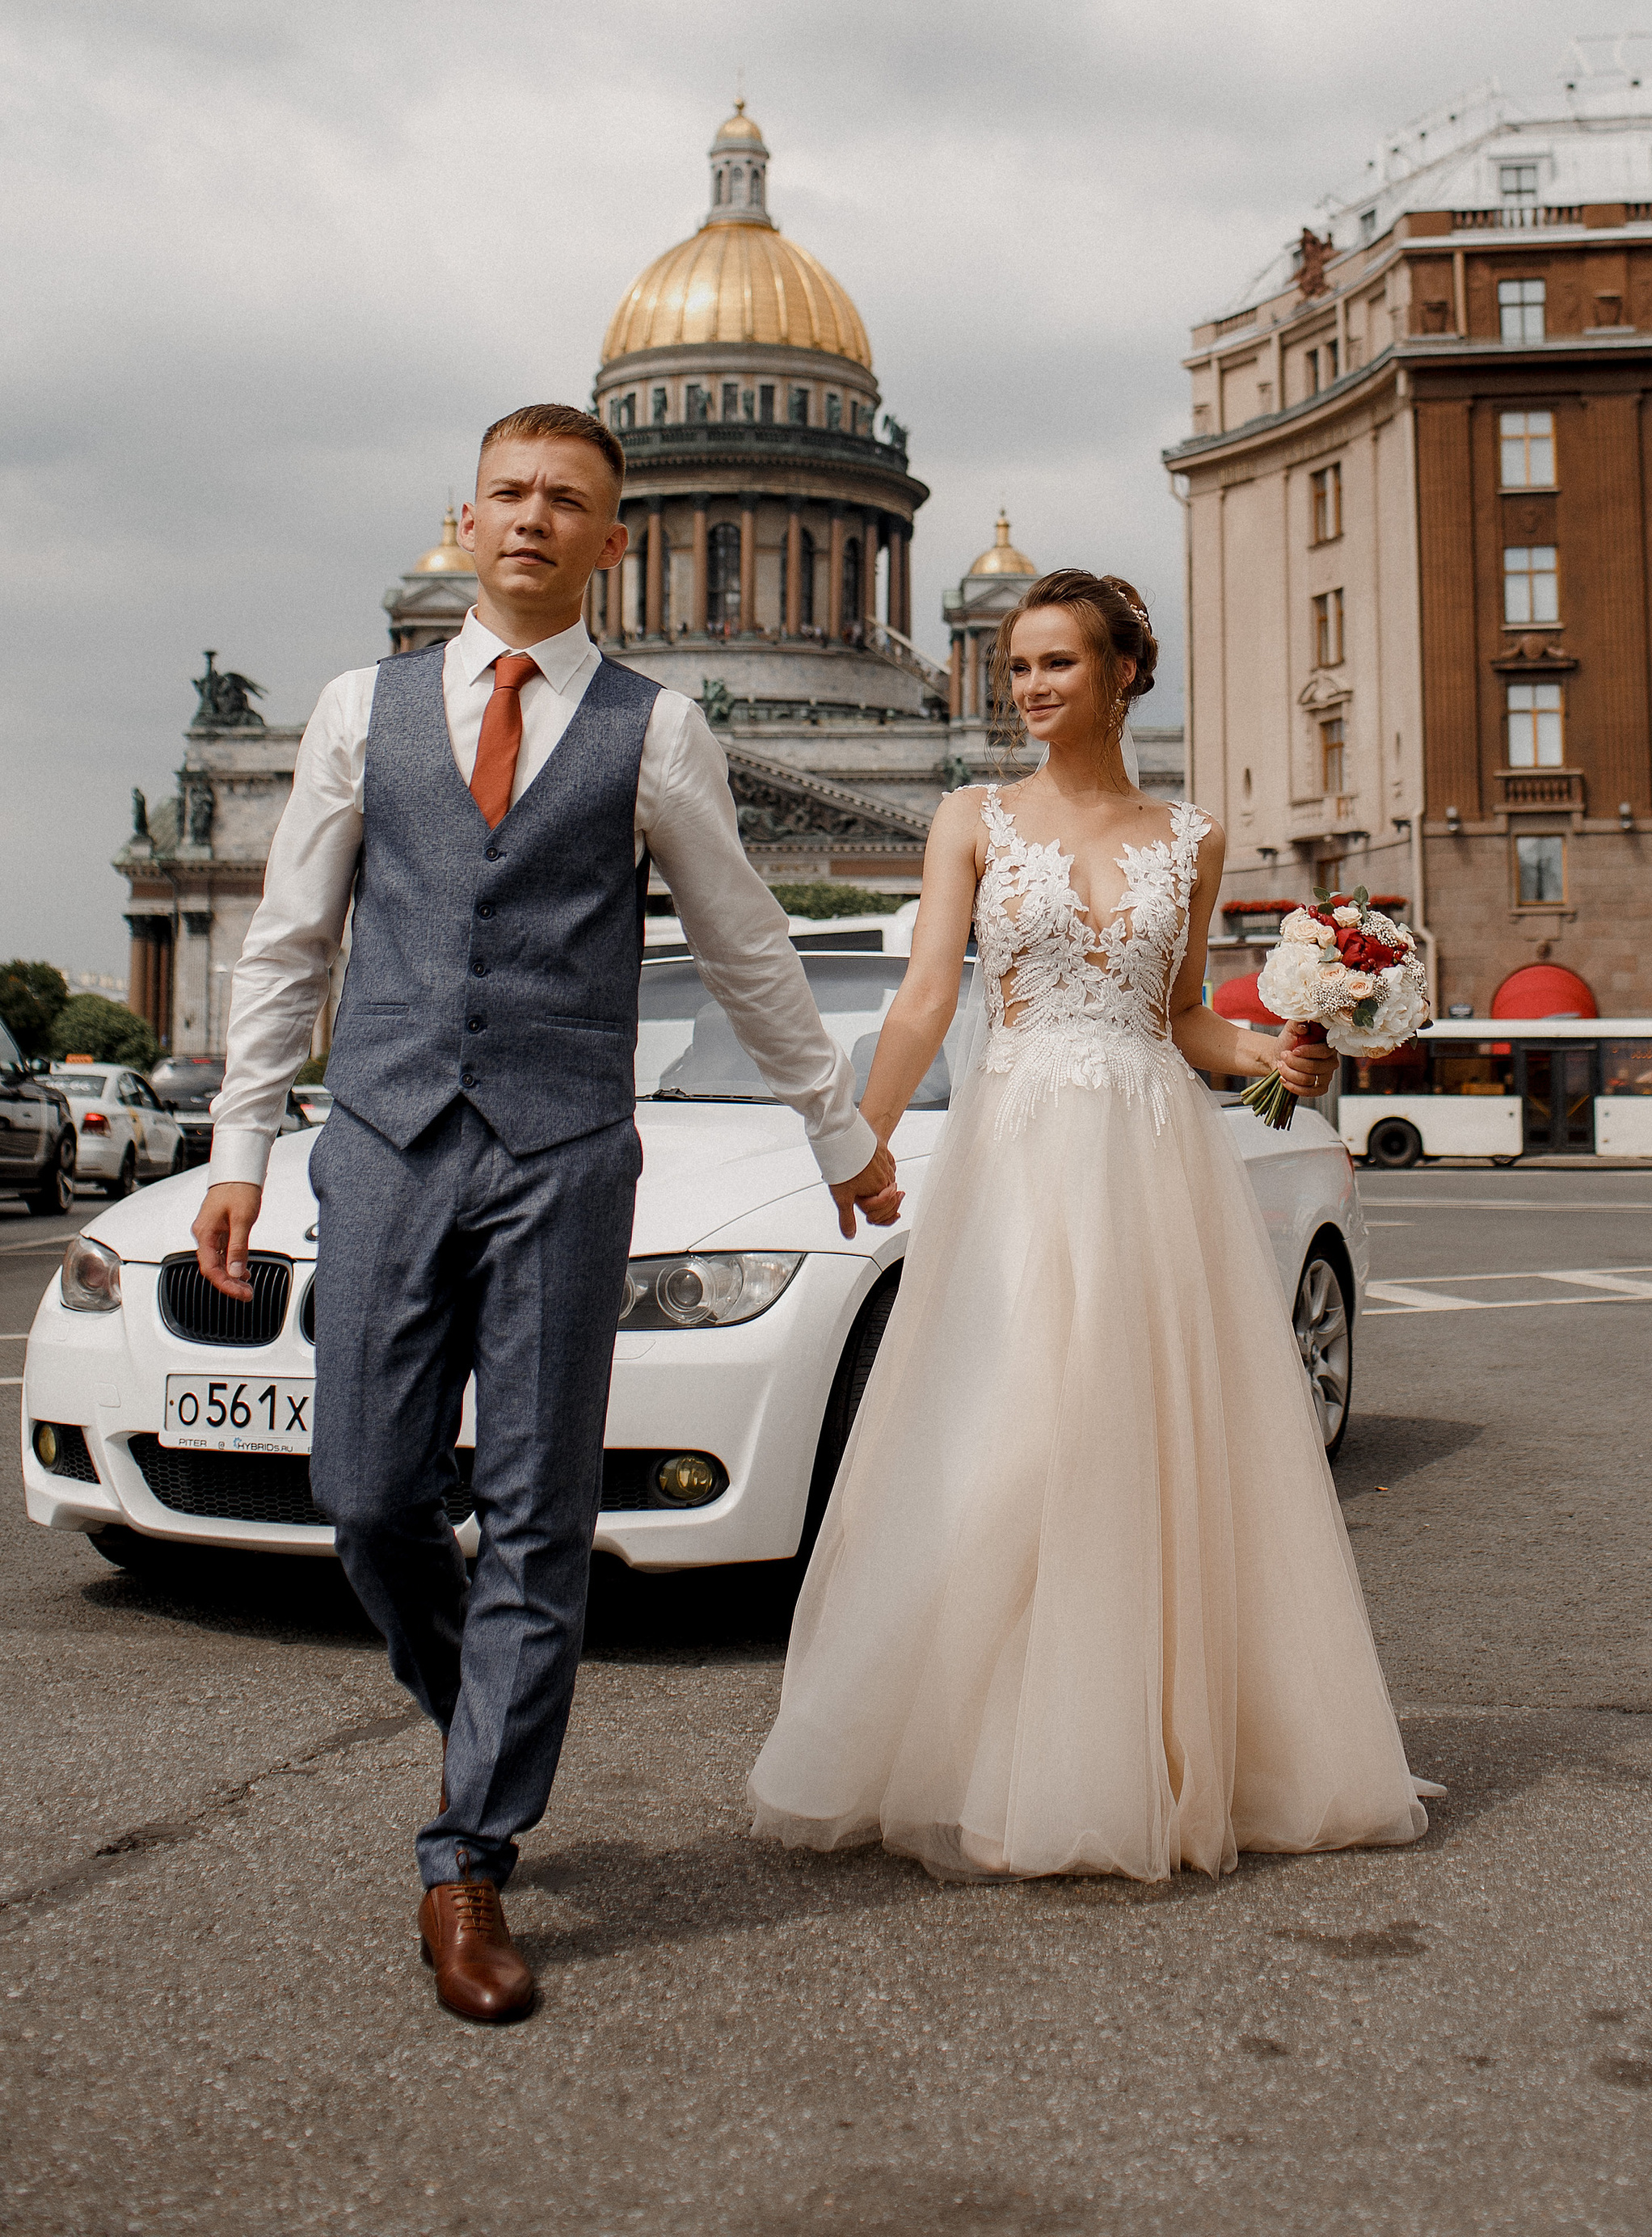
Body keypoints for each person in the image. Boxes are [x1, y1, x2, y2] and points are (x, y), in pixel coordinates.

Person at [192, 402, 900, 2022]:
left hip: (565, 1152)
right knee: (365, 1497)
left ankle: (469, 1855)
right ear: (467, 515)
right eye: (508, 493)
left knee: (533, 1509)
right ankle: (482, 1713)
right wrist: (243, 1146)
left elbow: (743, 948)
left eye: (565, 500)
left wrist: (836, 1125)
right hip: (380, 1140)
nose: (530, 520)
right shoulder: (357, 711)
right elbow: (290, 946)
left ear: (612, 540)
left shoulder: (655, 733)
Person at [748, 568, 1435, 1881]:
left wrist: (1277, 1061)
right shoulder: (970, 818)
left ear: (1125, 674)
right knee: (1010, 1438)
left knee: (1135, 1441)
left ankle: (1136, 1754)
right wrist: (859, 1137)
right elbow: (921, 1002)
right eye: (1017, 666)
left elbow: (1184, 1017)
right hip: (1018, 1155)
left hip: (1150, 1155)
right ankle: (982, 1747)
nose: (1030, 688)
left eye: (1058, 662)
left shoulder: (1194, 836)